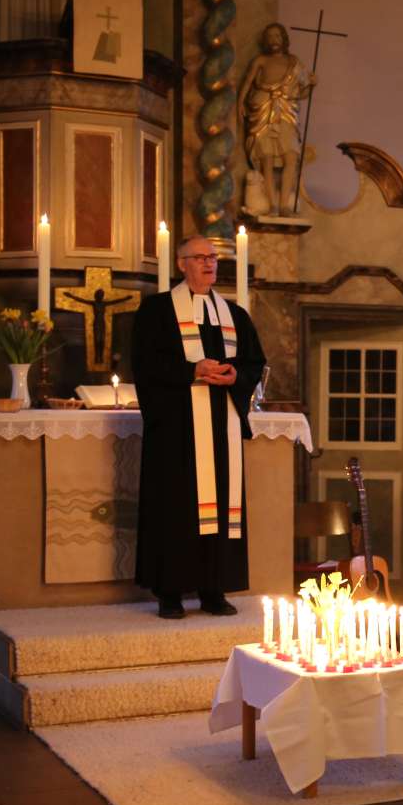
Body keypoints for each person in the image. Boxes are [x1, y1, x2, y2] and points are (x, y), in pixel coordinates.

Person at [133, 236, 267, 619]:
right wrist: (192, 370)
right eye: (201, 258)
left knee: (222, 506)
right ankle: (170, 593)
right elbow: (145, 366)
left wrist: (234, 376)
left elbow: (254, 362)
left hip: (220, 427)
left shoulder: (235, 314)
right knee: (175, 508)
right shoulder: (157, 311)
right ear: (181, 263)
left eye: (213, 257)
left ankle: (214, 588)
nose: (210, 264)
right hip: (176, 431)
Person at [238, 22, 315, 216]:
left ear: (284, 39)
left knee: (291, 157)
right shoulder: (261, 60)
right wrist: (240, 102)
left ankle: (285, 206)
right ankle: (272, 205)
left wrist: (312, 85)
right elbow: (247, 83)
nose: (274, 40)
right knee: (267, 161)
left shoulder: (294, 62)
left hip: (287, 111)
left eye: (277, 36)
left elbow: (301, 93)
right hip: (264, 109)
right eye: (270, 37)